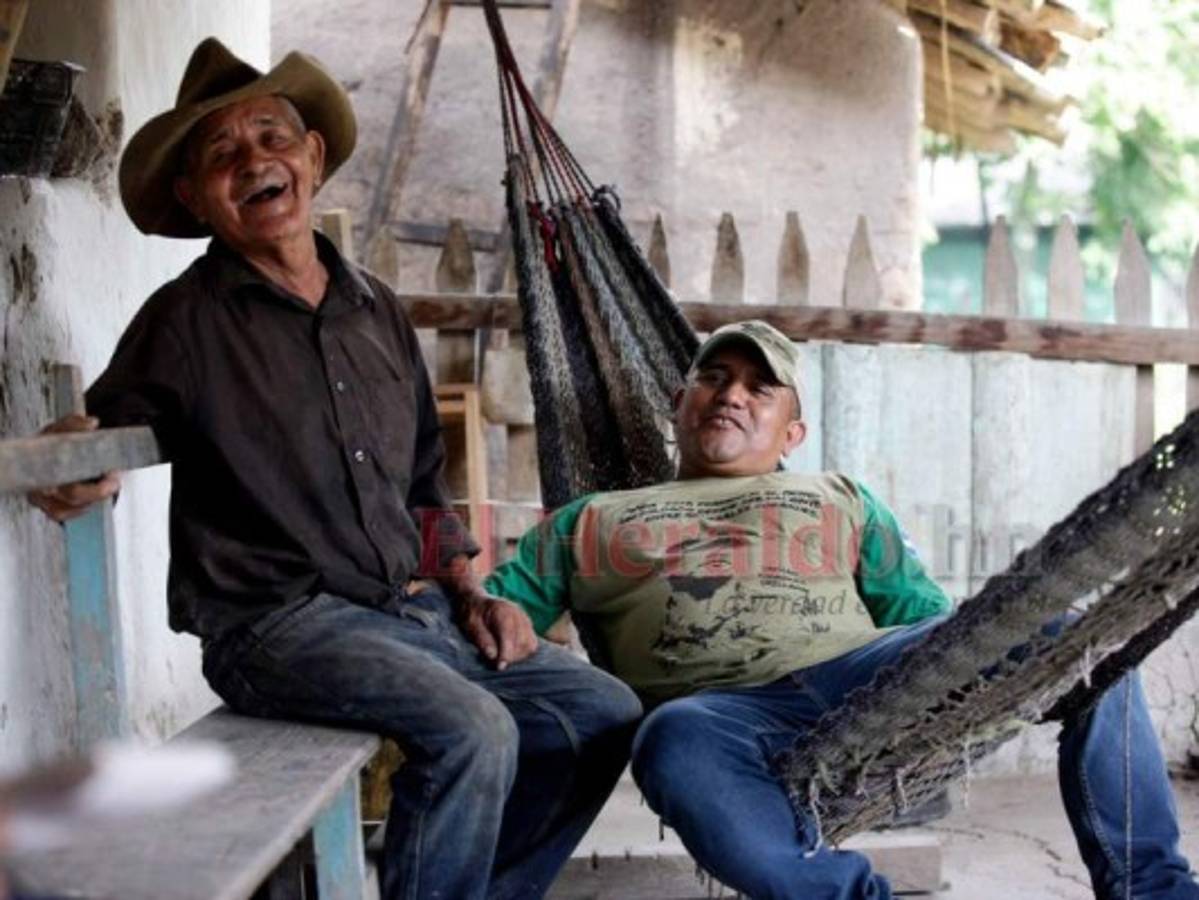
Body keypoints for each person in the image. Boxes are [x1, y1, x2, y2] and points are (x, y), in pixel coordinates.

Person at [26, 38, 641, 900]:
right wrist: (74, 461)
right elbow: (101, 435)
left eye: (272, 138)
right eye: (222, 154)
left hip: (409, 614)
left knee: (601, 712)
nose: (254, 162)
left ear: (311, 157)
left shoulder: (375, 309)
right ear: (193, 197)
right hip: (274, 628)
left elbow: (424, 482)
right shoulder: (184, 320)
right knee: (474, 731)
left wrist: (472, 596)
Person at [486, 319, 1199, 900]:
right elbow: (498, 615)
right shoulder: (589, 518)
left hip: (863, 682)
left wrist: (971, 671)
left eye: (760, 388)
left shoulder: (839, 497)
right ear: (678, 403)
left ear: (791, 435)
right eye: (714, 377)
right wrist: (496, 613)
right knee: (667, 739)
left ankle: (1151, 888)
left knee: (1081, 643)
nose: (732, 395)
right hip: (716, 713)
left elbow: (928, 621)